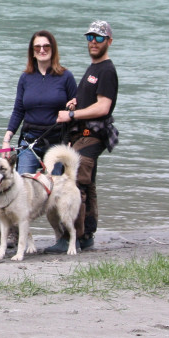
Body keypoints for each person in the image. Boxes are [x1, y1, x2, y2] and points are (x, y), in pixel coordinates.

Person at [46, 20, 118, 254]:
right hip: (82, 135)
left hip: (93, 135)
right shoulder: (94, 68)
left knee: (76, 186)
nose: (93, 42)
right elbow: (91, 100)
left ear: (109, 41)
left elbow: (103, 107)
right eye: (90, 37)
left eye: (99, 38)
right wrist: (76, 102)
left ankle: (71, 239)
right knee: (88, 185)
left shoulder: (107, 70)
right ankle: (86, 236)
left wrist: (71, 114)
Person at [2, 30, 77, 175]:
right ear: (32, 52)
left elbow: (76, 110)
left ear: (53, 49)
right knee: (23, 183)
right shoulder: (25, 78)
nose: (42, 50)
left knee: (55, 186)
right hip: (30, 141)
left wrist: (72, 140)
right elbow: (18, 110)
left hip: (57, 143)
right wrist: (7, 140)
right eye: (37, 47)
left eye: (46, 46)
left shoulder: (66, 76)